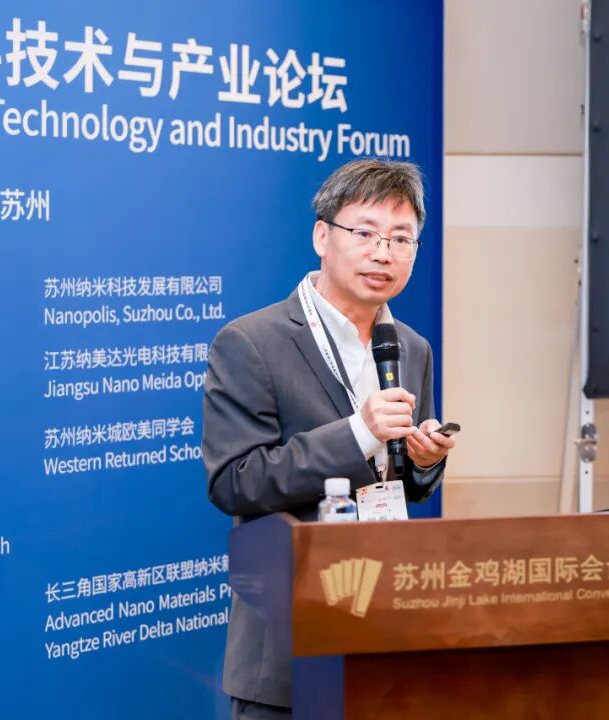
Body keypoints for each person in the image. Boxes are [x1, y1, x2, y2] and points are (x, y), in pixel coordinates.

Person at [202, 158, 455, 718]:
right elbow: (235, 482)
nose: (383, 253)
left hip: (385, 634)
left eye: (401, 238)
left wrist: (423, 460)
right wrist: (358, 432)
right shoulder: (251, 342)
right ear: (322, 236)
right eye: (365, 233)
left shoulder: (411, 347)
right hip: (289, 646)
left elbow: (404, 488)